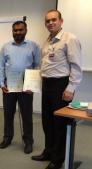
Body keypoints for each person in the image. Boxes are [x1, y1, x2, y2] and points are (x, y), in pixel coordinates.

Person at [31, 10, 82, 169]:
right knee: (47, 121)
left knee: (59, 123)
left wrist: (70, 88)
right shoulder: (47, 41)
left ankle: (58, 159)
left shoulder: (70, 39)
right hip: (47, 84)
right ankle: (49, 151)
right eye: (47, 21)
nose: (50, 23)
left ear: (61, 21)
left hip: (61, 85)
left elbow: (76, 66)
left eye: (54, 20)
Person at [0, 21, 40, 154]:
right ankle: (7, 138)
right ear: (12, 31)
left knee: (27, 115)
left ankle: (28, 141)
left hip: (26, 87)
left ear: (26, 30)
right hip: (9, 87)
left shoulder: (33, 46)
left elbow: (38, 66)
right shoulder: (6, 47)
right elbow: (1, 66)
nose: (18, 32)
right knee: (8, 114)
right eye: (15, 30)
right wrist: (2, 84)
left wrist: (33, 86)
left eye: (20, 30)